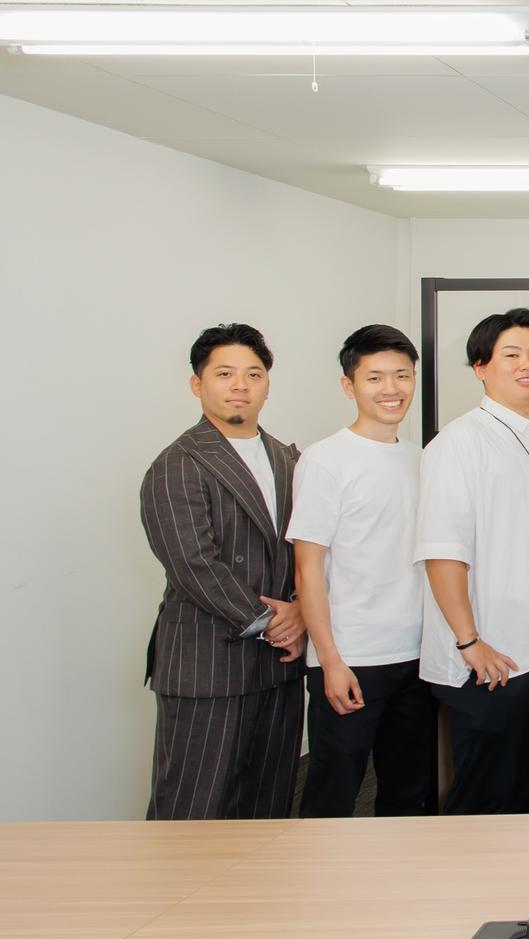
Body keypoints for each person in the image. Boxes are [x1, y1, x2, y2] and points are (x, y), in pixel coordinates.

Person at [415, 307, 529, 815]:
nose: (527, 365)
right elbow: (442, 551)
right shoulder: (457, 443)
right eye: (511, 355)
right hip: (491, 656)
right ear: (481, 367)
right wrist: (470, 641)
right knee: (483, 796)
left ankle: (521, 870)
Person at [139, 323, 305, 819]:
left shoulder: (291, 460)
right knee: (192, 809)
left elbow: (311, 550)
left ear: (267, 384)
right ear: (198, 384)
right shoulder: (179, 463)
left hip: (279, 665)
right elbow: (194, 564)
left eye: (253, 374)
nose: (240, 385)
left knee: (268, 806)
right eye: (225, 373)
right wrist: (275, 622)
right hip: (208, 664)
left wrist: (302, 611)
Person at [289, 325, 435, 817]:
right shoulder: (324, 460)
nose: (392, 389)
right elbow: (308, 569)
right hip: (351, 657)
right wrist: (329, 660)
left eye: (402, 375)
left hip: (416, 655)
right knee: (334, 792)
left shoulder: (421, 459)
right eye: (375, 378)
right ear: (348, 386)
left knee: (407, 792)